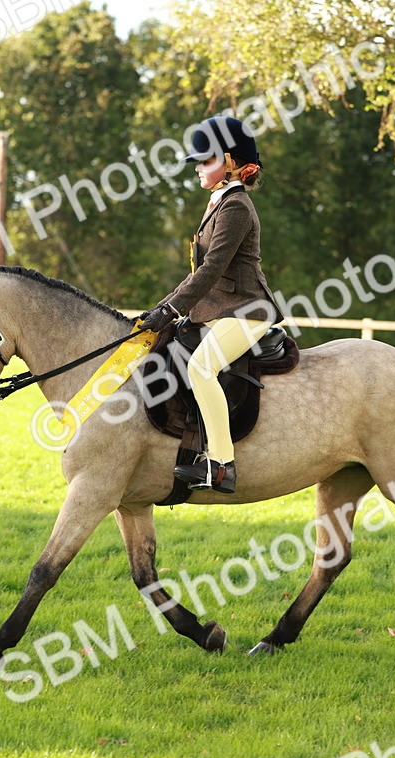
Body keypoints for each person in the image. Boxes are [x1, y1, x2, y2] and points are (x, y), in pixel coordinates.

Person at [137, 116, 282, 493]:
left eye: (205, 160)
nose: (198, 168)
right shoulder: (218, 202)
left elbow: (211, 269)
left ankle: (221, 464)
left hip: (248, 309)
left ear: (230, 162)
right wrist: (161, 309)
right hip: (221, 308)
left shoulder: (236, 207)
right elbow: (198, 274)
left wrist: (169, 309)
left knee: (202, 367)